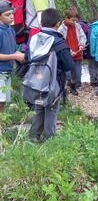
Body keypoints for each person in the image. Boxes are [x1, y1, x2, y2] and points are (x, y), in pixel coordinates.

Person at [28, 8, 73, 141]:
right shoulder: (59, 43)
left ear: (41, 23)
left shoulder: (33, 39)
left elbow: (27, 58)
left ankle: (33, 136)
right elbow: (68, 65)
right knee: (51, 111)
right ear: (58, 24)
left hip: (35, 82)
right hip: (54, 83)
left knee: (38, 108)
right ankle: (50, 139)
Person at [0, 0, 25, 113]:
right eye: (7, 14)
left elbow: (13, 50)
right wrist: (14, 56)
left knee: (3, 101)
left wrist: (22, 55)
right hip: (0, 72)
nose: (11, 17)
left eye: (12, 14)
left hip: (8, 71)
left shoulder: (11, 30)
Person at [58, 8, 87, 95]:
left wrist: (81, 45)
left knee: (76, 73)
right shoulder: (61, 29)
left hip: (77, 53)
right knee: (67, 74)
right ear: (66, 18)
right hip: (67, 55)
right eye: (73, 20)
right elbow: (61, 42)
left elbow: (83, 36)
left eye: (76, 20)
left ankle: (73, 87)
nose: (74, 22)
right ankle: (64, 88)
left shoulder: (78, 26)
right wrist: (69, 51)